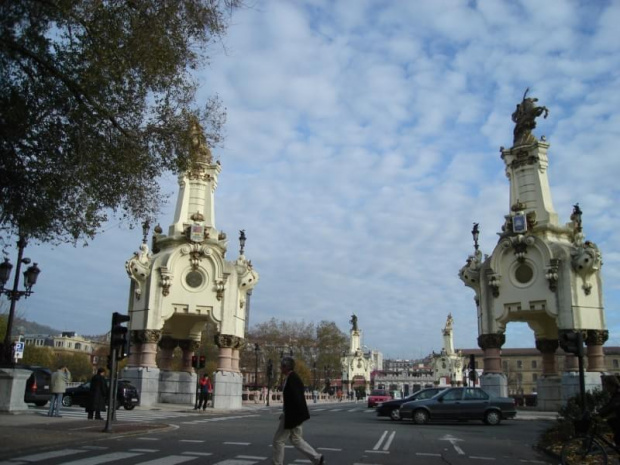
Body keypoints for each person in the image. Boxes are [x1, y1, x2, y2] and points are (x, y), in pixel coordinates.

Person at [272, 356, 324, 465]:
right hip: (294, 415)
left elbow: (296, 398)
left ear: (286, 367)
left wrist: (289, 416)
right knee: (296, 439)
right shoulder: (292, 378)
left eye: (282, 366)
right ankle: (317, 458)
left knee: (278, 440)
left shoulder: (293, 379)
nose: (280, 368)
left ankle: (277, 463)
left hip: (292, 417)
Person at [600, 375, 620, 445]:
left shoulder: (618, 395)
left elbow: (612, 406)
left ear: (613, 385)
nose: (606, 388)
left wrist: (600, 413)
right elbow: (609, 405)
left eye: (606, 385)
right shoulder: (615, 394)